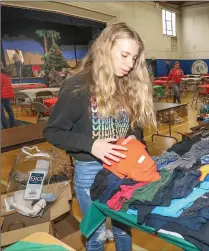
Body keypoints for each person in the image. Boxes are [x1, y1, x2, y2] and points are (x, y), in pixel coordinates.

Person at [43, 22, 156, 251]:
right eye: (124, 55)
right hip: (90, 171)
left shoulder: (126, 85)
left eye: (134, 58)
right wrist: (92, 145)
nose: (130, 64)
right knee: (95, 236)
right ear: (105, 49)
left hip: (124, 168)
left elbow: (134, 126)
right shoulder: (78, 87)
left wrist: (135, 138)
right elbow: (52, 132)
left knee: (123, 229)